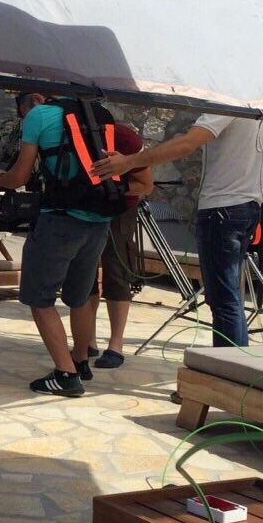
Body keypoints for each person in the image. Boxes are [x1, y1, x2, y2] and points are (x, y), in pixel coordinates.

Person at [93, 114, 263, 347]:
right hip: (249, 207)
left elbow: (187, 144)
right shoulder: (256, 109)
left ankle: (230, 363)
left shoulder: (223, 106)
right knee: (230, 297)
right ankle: (236, 360)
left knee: (224, 300)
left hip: (222, 209)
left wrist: (129, 162)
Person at [0, 92, 124, 398]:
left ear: (36, 98)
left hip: (59, 218)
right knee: (80, 297)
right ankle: (80, 360)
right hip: (99, 218)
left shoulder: (38, 115)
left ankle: (66, 374)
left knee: (39, 298)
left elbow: (20, 176)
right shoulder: (100, 112)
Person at [76, 123, 154, 370]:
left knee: (116, 272)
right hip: (80, 211)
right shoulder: (65, 134)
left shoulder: (123, 137)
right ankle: (87, 341)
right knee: (83, 274)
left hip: (118, 210)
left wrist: (108, 189)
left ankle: (115, 345)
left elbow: (145, 185)